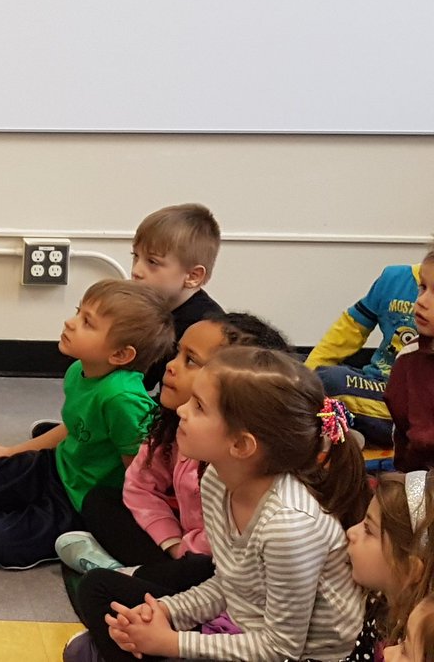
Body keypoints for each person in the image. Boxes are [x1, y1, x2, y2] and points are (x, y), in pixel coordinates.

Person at [100, 347, 371, 662]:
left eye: (199, 407)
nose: (183, 411)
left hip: (302, 657)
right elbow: (230, 585)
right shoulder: (216, 478)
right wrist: (166, 612)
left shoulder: (290, 526)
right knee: (102, 590)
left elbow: (281, 649)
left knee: (131, 632)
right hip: (243, 628)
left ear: (241, 445)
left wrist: (172, 643)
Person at [60, 314, 292, 661]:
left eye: (191, 361)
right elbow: (139, 485)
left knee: (105, 588)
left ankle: (123, 590)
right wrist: (170, 542)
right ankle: (130, 585)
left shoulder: (253, 480)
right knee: (99, 501)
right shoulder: (178, 426)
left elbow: (229, 571)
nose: (170, 367)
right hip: (189, 555)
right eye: (177, 354)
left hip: (214, 577)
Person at [0, 280, 175, 569]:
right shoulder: (80, 370)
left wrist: (118, 534)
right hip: (56, 468)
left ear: (120, 355)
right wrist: (13, 451)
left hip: (80, 504)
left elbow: (139, 474)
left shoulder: (123, 399)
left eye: (87, 323)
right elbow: (70, 428)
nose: (70, 322)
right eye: (79, 312)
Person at [306, 262, 421, 447]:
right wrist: (302, 375)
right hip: (375, 384)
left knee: (329, 380)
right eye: (422, 288)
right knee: (288, 367)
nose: (421, 300)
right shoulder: (395, 277)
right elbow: (351, 328)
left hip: (413, 405)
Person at [129, 203, 224, 392]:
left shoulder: (203, 325)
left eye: (153, 262)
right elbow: (142, 378)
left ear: (192, 276)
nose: (136, 271)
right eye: (135, 256)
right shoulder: (157, 308)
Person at [347, 470, 433, 659]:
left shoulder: (418, 644)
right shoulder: (378, 604)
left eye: (368, 530)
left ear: (410, 569)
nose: (351, 532)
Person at [386, 245, 434, 472]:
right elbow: (404, 439)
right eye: (422, 288)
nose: (422, 301)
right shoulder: (409, 358)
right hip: (421, 480)